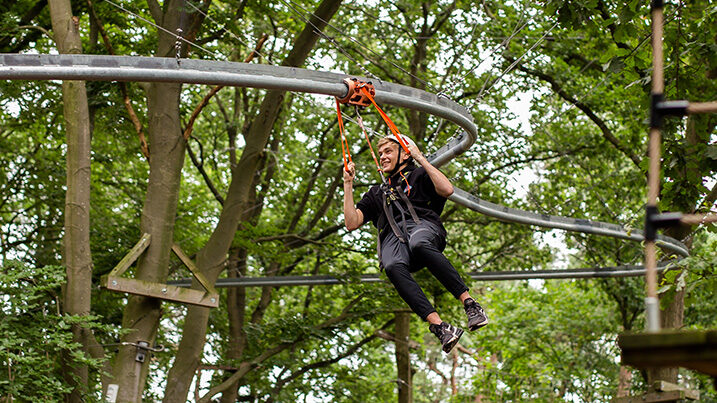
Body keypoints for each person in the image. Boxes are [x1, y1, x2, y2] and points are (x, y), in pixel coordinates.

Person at [342, 133, 488, 353]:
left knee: (419, 243)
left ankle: (470, 304)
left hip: (423, 226)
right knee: (391, 266)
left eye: (388, 151)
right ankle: (440, 327)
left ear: (404, 153)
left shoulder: (419, 175)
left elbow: (447, 190)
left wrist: (420, 157)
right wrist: (348, 184)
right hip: (394, 238)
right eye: (380, 153)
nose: (382, 156)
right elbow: (351, 223)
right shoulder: (376, 193)